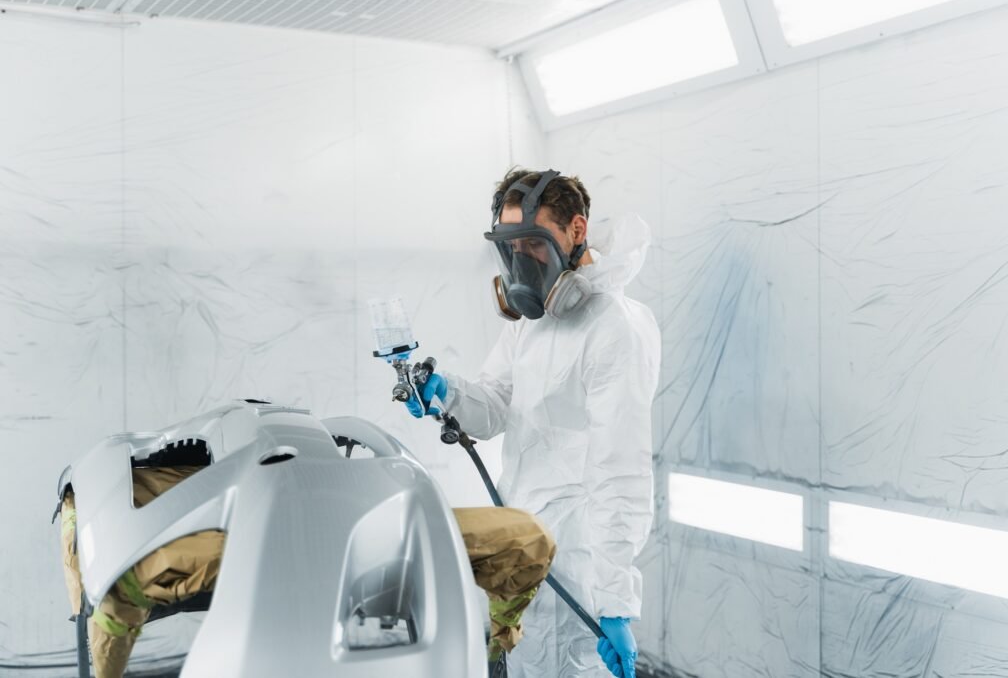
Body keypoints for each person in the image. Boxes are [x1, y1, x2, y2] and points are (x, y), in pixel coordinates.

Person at [406, 168, 661, 677]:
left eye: (533, 243)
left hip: (576, 561)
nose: (522, 261)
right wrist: (448, 392)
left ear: (576, 230)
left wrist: (615, 601)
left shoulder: (615, 329)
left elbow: (621, 472)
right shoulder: (536, 319)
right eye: (511, 247)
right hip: (520, 543)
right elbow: (497, 404)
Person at [58, 469, 556, 677]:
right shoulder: (161, 558)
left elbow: (526, 542)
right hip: (129, 521)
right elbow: (116, 606)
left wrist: (499, 640)